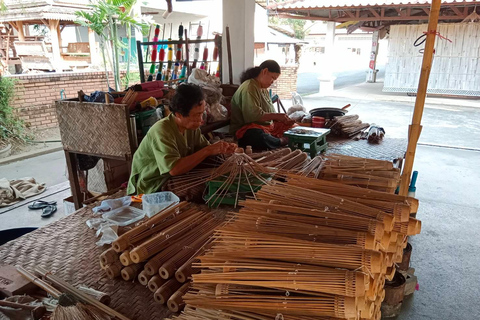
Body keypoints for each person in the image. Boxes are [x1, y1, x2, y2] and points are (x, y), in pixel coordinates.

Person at [127, 84, 236, 195]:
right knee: (204, 187)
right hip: (156, 182)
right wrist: (208, 150)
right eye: (197, 115)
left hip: (178, 172)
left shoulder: (191, 127)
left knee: (217, 160)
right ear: (179, 114)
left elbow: (204, 150)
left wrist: (221, 149)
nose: (201, 120)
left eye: (202, 113)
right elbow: (174, 169)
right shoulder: (162, 130)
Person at [230, 60, 294, 150]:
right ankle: (279, 141)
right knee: (257, 136)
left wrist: (283, 120)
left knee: (294, 129)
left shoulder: (263, 89)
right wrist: (277, 116)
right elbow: (252, 116)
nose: (272, 82)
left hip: (267, 128)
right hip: (246, 130)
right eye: (272, 78)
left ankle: (277, 140)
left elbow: (270, 114)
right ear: (265, 71)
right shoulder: (249, 87)